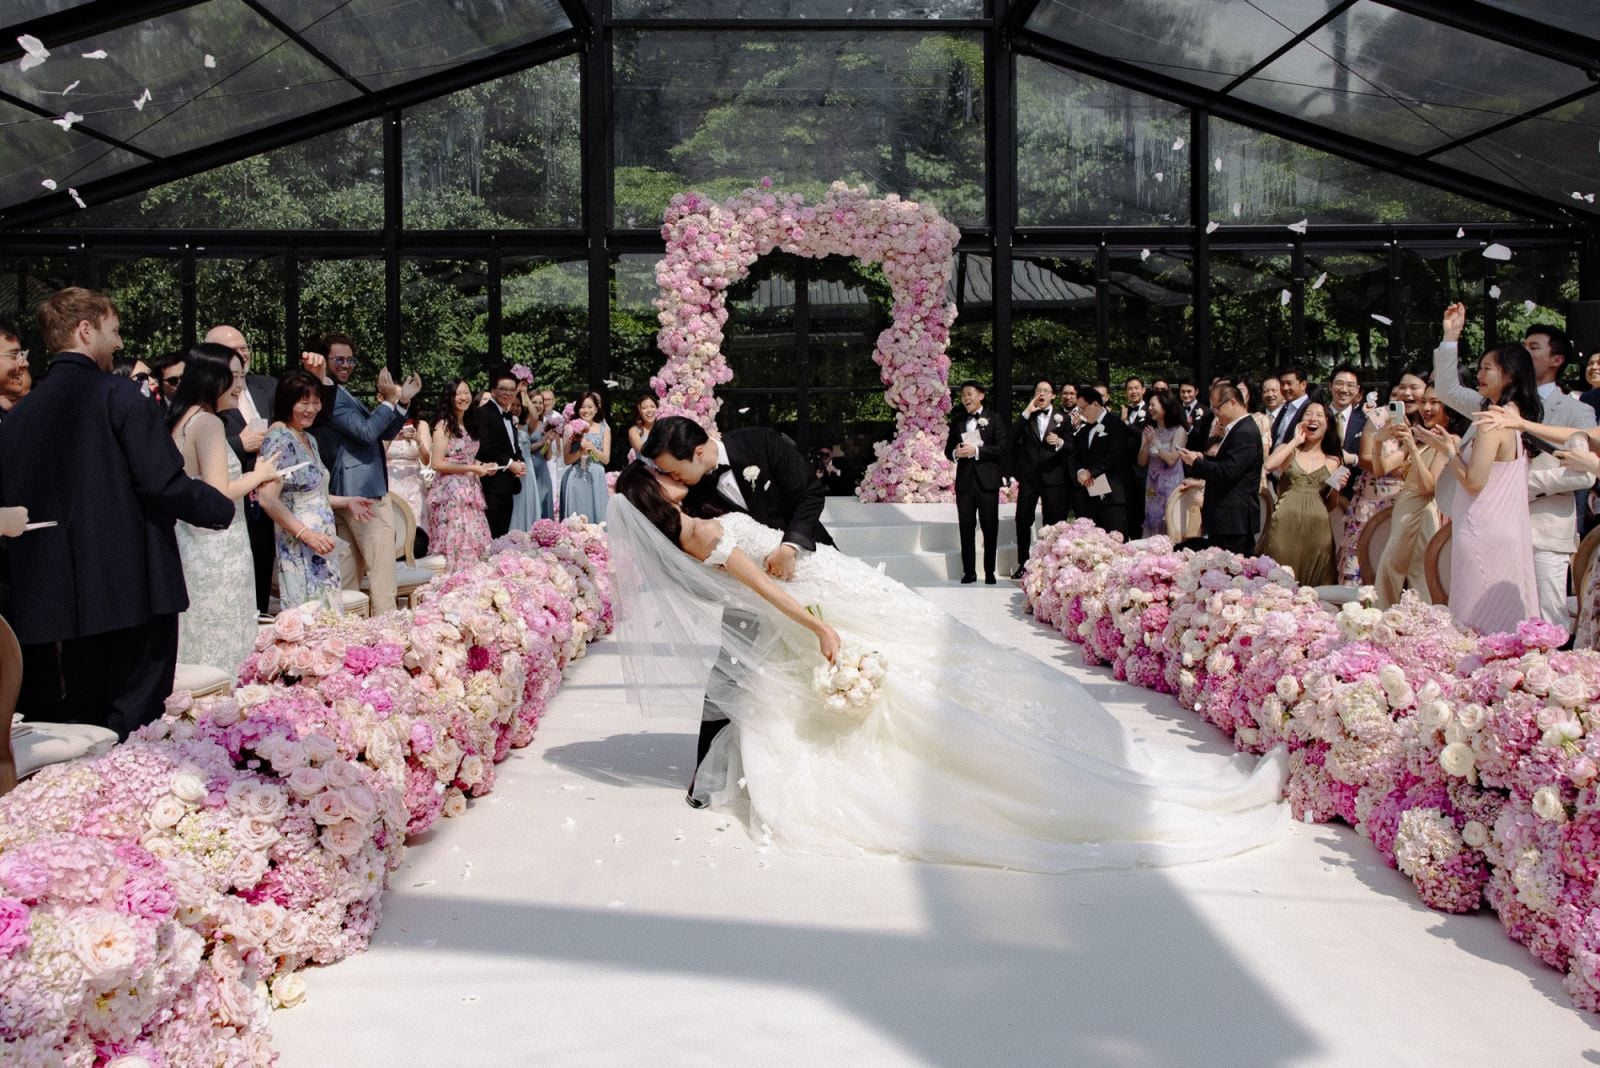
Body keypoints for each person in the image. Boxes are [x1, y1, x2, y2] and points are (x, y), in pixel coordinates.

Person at [607, 461, 1288, 872]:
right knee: (931, 666)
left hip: (840, 585)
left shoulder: (695, 525)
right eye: (661, 477)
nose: (673, 476)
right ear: (656, 495)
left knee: (936, 647)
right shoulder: (705, 534)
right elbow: (765, 591)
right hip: (826, 603)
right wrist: (820, 628)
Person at [0, 288, 234, 738]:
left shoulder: (19, 417)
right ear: (85, 330)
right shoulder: (121, 397)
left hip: (60, 603)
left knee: (84, 725)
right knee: (139, 724)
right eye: (114, 330)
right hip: (135, 589)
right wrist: (219, 507)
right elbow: (162, 482)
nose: (120, 343)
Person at [640, 414, 833, 807]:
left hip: (808, 564)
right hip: (746, 589)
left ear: (698, 453)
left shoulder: (762, 441)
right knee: (729, 671)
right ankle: (706, 776)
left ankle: (825, 757)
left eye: (673, 470)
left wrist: (790, 546)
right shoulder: (686, 496)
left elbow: (810, 494)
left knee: (819, 660)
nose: (670, 478)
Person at [1435, 308, 1591, 631]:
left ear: (1556, 359)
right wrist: (1450, 337)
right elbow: (1448, 390)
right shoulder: (1490, 407)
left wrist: (1517, 485)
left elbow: (1587, 472)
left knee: (1545, 622)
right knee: (1491, 616)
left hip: (1544, 526)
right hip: (1490, 522)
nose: (1525, 351)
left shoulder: (1576, 410)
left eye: (1534, 347)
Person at [1420, 305, 1541, 636]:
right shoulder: (1510, 414)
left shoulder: (1492, 420)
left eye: (1488, 368)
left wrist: (1449, 451)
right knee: (1505, 622)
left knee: (1478, 623)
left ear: (1509, 375)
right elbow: (1447, 390)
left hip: (1482, 527)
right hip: (1504, 527)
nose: (1479, 374)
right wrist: (1450, 337)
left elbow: (1474, 481)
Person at [167, 343, 282, 674]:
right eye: (233, 376)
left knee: (197, 636)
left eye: (242, 376)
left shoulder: (182, 418)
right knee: (225, 639)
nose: (240, 385)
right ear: (210, 376)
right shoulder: (208, 423)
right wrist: (260, 474)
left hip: (192, 545)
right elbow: (219, 493)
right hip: (219, 550)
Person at [305, 335, 421, 615]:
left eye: (350, 360)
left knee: (348, 573)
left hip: (348, 493)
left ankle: (346, 629)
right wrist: (389, 400)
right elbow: (367, 432)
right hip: (363, 492)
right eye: (339, 359)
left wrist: (401, 402)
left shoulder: (340, 393)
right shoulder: (330, 396)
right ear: (323, 360)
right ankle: (386, 628)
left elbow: (379, 431)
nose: (346, 365)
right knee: (382, 572)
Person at [257, 371, 377, 610]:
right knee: (309, 612)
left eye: (316, 401)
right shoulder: (280, 437)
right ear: (287, 402)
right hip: (300, 542)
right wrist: (305, 534)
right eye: (304, 402)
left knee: (328, 611)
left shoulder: (308, 438)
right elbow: (267, 499)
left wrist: (347, 501)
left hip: (322, 543)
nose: (311, 409)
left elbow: (312, 494)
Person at [207, 325, 278, 617]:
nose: (242, 355)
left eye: (244, 348)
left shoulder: (268, 387)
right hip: (228, 509)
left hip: (266, 501)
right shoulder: (205, 411)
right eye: (232, 351)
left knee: (260, 575)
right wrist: (239, 444)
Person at [1373, 383, 1455, 607]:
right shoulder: (1420, 439)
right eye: (1424, 401)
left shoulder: (1450, 441)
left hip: (1420, 513)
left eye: (1434, 402)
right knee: (1393, 570)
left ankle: (1414, 620)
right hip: (1404, 509)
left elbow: (1429, 486)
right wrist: (1378, 441)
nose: (1426, 408)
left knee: (1411, 574)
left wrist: (1411, 445)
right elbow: (1382, 468)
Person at [1338, 371, 1423, 585]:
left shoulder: (1429, 421)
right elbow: (1367, 459)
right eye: (1402, 387)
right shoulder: (1380, 417)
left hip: (1412, 505)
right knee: (1365, 565)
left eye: (1414, 388)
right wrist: (1395, 453)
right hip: (1374, 503)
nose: (1407, 393)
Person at [1257, 400, 1346, 586]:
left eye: (1319, 415)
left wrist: (1337, 488)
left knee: (1315, 587)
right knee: (1277, 579)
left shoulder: (1334, 460)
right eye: (1308, 414)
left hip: (1318, 531)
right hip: (1284, 526)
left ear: (1328, 423)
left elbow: (1330, 505)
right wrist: (1295, 441)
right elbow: (1269, 465)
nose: (1313, 419)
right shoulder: (1289, 450)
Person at [1177, 382, 1263, 554]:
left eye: (1217, 407)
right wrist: (1203, 458)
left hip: (1233, 519)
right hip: (1227, 519)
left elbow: (1228, 471)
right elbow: (1227, 462)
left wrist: (1196, 463)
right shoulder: (1238, 428)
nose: (1215, 413)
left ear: (1232, 402)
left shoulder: (1245, 431)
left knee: (1231, 566)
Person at [944, 380, 1006, 584]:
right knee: (966, 528)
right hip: (965, 483)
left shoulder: (994, 419)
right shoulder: (958, 422)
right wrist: (956, 453)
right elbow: (948, 450)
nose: (966, 398)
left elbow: (1001, 449)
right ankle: (969, 571)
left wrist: (977, 451)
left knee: (990, 528)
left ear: (981, 396)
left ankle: (989, 571)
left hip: (987, 483)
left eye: (970, 394)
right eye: (963, 395)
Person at [428, 379, 496, 566]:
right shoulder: (443, 426)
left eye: (466, 392)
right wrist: (472, 468)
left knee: (475, 535)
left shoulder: (469, 424)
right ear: (449, 397)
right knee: (457, 537)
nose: (463, 397)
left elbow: (467, 457)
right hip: (451, 492)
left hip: (471, 489)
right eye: (458, 393)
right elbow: (437, 463)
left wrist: (483, 466)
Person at [1009, 380, 1070, 577]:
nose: (1041, 393)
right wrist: (1027, 412)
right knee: (1022, 519)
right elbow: (1011, 436)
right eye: (1038, 390)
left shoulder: (1063, 418)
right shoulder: (1028, 416)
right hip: (1029, 477)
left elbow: (1072, 446)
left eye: (1046, 390)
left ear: (1053, 395)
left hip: (1053, 476)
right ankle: (1023, 564)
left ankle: (1051, 565)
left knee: (1052, 522)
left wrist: (1060, 442)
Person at [469, 370, 529, 538]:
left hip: (508, 484)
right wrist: (510, 464)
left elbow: (513, 446)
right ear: (494, 391)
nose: (508, 393)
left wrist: (520, 461)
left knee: (503, 534)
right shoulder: (483, 413)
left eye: (512, 390)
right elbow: (485, 446)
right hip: (491, 483)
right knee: (491, 533)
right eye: (504, 389)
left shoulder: (509, 415)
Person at [1072, 384, 1131, 537]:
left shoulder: (1116, 424)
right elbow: (1076, 455)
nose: (1081, 413)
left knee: (1115, 540)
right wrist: (1080, 471)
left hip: (1112, 495)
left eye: (1083, 408)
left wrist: (1091, 472)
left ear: (1095, 404)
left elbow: (1115, 455)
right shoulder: (1084, 430)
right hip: (1090, 495)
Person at [1138, 388, 1187, 537]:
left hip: (1171, 485)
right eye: (1149, 405)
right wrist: (1146, 443)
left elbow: (1172, 459)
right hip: (1152, 484)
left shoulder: (1179, 431)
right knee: (1152, 520)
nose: (1150, 408)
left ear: (1165, 406)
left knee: (1170, 522)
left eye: (1153, 405)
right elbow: (1141, 462)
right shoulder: (1148, 431)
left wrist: (1156, 442)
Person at [559, 391, 612, 523]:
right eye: (583, 407)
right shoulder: (570, 428)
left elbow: (606, 459)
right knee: (576, 519)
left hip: (596, 477)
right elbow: (567, 460)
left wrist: (593, 448)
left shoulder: (604, 429)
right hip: (576, 475)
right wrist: (580, 452)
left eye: (590, 407)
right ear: (578, 409)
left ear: (596, 409)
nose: (586, 410)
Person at [385, 412, 432, 558]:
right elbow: (378, 453)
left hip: (413, 482)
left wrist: (418, 440)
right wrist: (394, 436)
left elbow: (426, 460)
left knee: (415, 521)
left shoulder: (421, 425)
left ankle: (415, 550)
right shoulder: (384, 422)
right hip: (389, 480)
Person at [510, 388, 555, 528]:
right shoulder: (506, 424)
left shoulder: (528, 425)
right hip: (514, 468)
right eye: (513, 405)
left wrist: (523, 392)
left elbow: (535, 416)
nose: (515, 408)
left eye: (518, 405)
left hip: (529, 469)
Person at [1269, 365, 1311, 448]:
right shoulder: (1285, 407)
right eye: (1282, 384)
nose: (1285, 388)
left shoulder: (1310, 408)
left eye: (1289, 383)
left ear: (1303, 384)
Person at [627, 395, 658, 459]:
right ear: (639, 411)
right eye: (644, 408)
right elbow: (643, 450)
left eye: (652, 407)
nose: (649, 410)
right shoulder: (634, 430)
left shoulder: (664, 428)